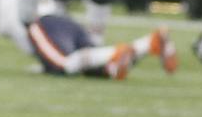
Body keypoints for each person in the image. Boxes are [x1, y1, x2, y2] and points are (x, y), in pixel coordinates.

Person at [26, 11, 178, 81]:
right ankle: (149, 43)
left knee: (64, 65)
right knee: (96, 69)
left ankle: (116, 52)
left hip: (43, 22)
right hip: (64, 18)